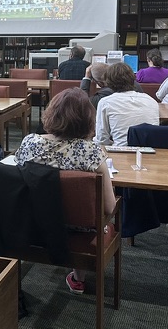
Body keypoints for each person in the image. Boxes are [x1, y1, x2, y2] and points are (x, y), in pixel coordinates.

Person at [14, 88, 116, 294]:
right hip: (80, 229)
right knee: (90, 214)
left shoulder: (30, 142)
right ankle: (78, 278)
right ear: (88, 119)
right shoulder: (91, 152)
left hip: (36, 222)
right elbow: (109, 206)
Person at [94, 62, 160, 147]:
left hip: (122, 153)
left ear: (108, 82)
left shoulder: (105, 102)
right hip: (150, 151)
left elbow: (102, 140)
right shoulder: (151, 100)